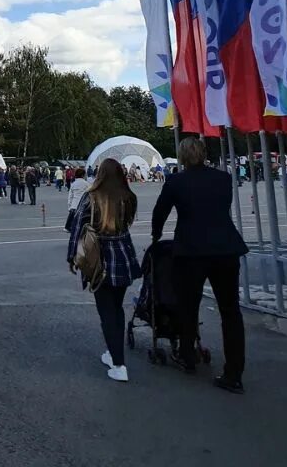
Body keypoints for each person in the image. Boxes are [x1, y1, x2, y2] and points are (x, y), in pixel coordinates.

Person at [152, 137, 248, 394]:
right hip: (226, 248)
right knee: (230, 311)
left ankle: (187, 355)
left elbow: (160, 211)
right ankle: (234, 371)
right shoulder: (223, 179)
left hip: (191, 250)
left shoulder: (176, 181)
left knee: (187, 305)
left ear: (182, 157)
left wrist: (155, 234)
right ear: (204, 154)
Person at [67, 158, 142, 383]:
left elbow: (77, 227)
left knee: (106, 312)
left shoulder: (90, 197)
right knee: (116, 309)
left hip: (99, 258)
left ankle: (119, 364)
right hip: (123, 257)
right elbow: (128, 224)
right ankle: (113, 352)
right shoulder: (128, 197)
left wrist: (72, 256)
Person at [64, 167, 90, 232]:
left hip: (74, 205)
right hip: (83, 205)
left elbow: (70, 196)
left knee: (70, 223)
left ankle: (68, 227)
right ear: (83, 175)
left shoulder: (73, 184)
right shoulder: (87, 184)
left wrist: (69, 206)